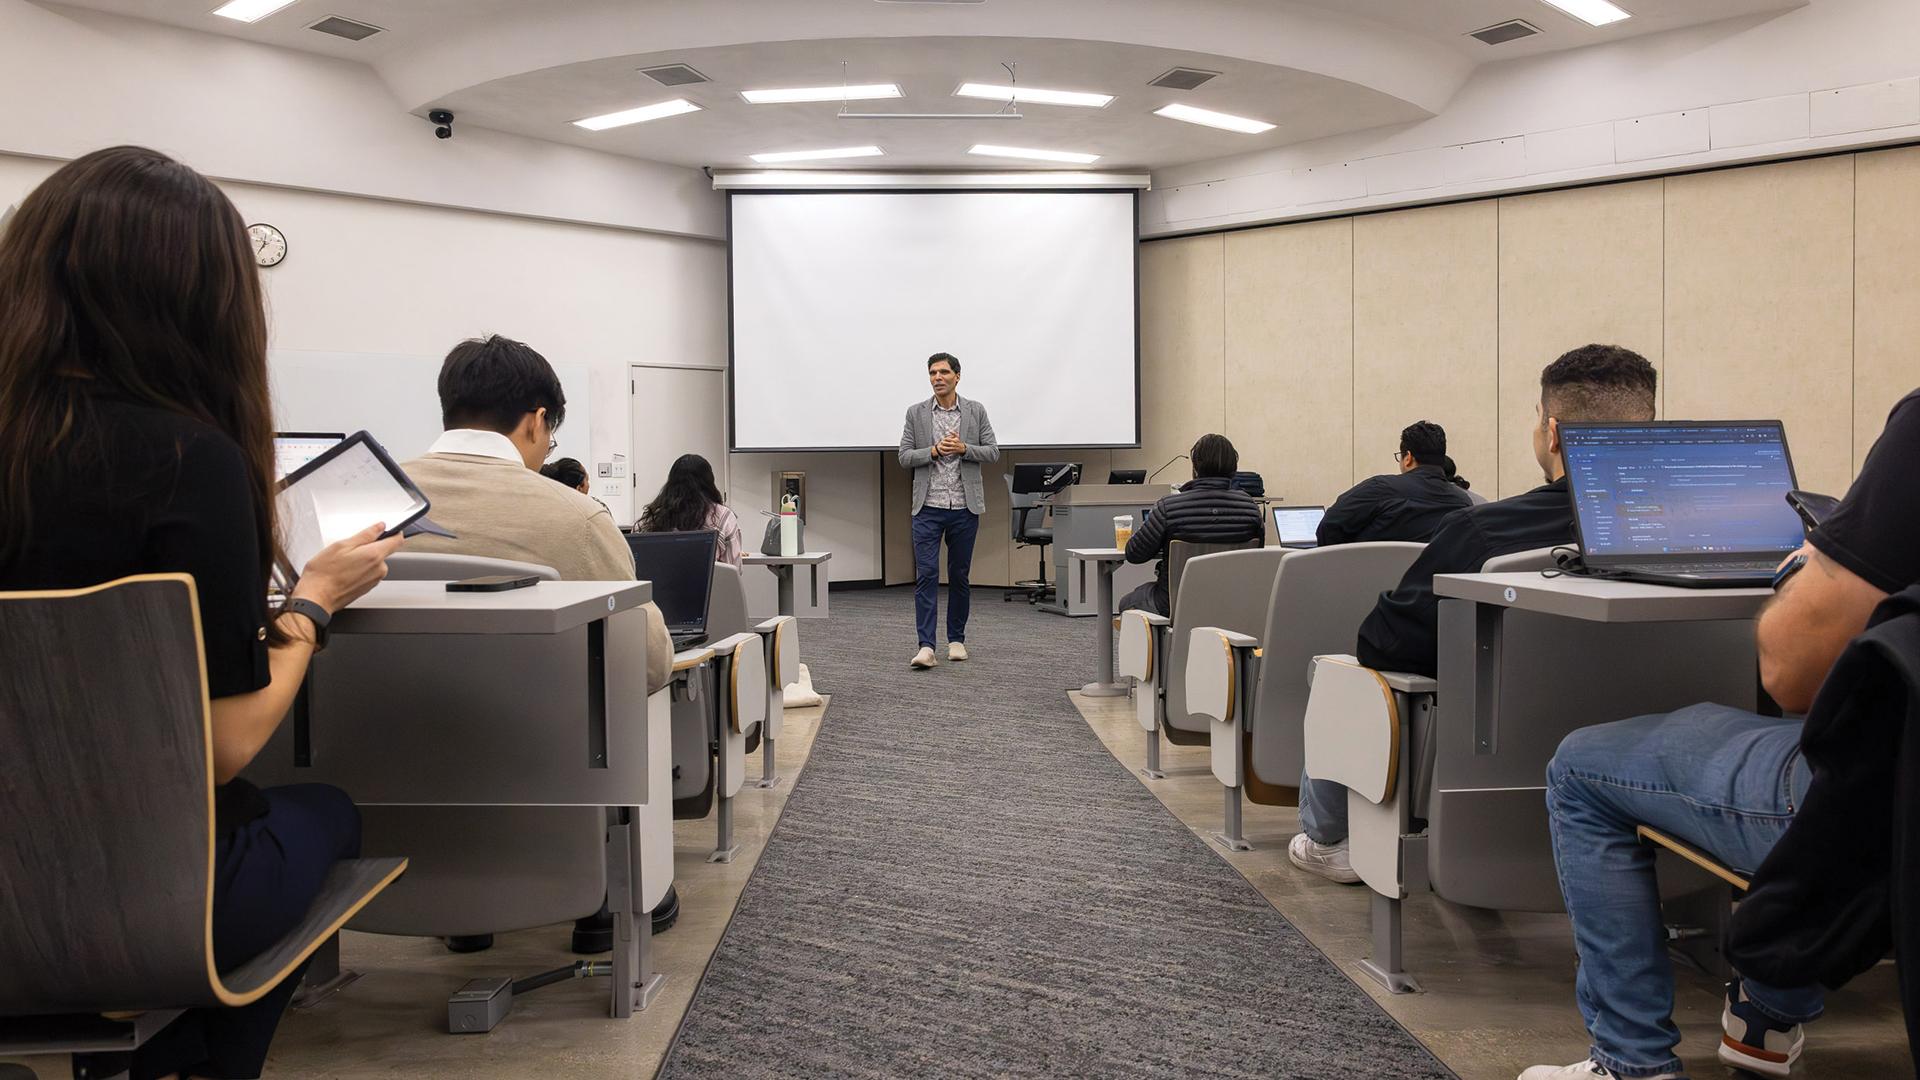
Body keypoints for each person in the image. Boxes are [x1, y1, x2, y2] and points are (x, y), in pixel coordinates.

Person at [0, 145, 401, 1080]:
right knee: (326, 813)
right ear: (205, 300)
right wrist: (311, 605)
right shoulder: (189, 461)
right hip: (138, 901)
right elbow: (222, 746)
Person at [1520, 388, 1920, 1080]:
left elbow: (1789, 673)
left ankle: (1631, 1059)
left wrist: (1811, 572)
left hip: (1883, 801)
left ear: (1550, 431)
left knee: (1582, 765)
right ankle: (1765, 1009)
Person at [1290, 344, 1658, 886]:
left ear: (1553, 434)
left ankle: (1328, 842)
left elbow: (1384, 641)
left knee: (1339, 672)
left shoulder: (1485, 533)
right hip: (1658, 796)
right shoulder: (1709, 537)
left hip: (1492, 788)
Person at [400, 334, 673, 954]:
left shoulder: (367, 506)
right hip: (543, 775)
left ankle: (463, 911)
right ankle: (613, 898)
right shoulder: (574, 518)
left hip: (391, 769)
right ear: (536, 420)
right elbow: (651, 662)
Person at [898, 352, 999, 669]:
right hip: (927, 507)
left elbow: (993, 452)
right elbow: (904, 456)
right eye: (932, 373)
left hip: (964, 507)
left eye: (943, 372)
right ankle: (926, 647)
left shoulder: (974, 411)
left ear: (957, 376)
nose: (937, 378)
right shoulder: (916, 413)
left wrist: (963, 448)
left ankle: (956, 640)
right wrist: (932, 451)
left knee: (959, 575)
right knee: (926, 575)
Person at [1118, 434, 1265, 616]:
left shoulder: (1169, 507)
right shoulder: (1250, 508)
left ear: (1195, 467)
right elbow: (1257, 556)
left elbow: (1134, 554)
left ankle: (1164, 636)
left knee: (1127, 603)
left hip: (1174, 604)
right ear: (1233, 468)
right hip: (1233, 604)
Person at [1316, 420, 1473, 545]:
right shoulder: (1463, 503)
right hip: (1434, 577)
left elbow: (1329, 526)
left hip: (1370, 575)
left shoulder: (1379, 488)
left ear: (1408, 458)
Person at [635, 453, 746, 567]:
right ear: (709, 483)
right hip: (708, 579)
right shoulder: (723, 516)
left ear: (670, 482)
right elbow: (734, 569)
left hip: (656, 579)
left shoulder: (650, 519)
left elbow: (635, 566)